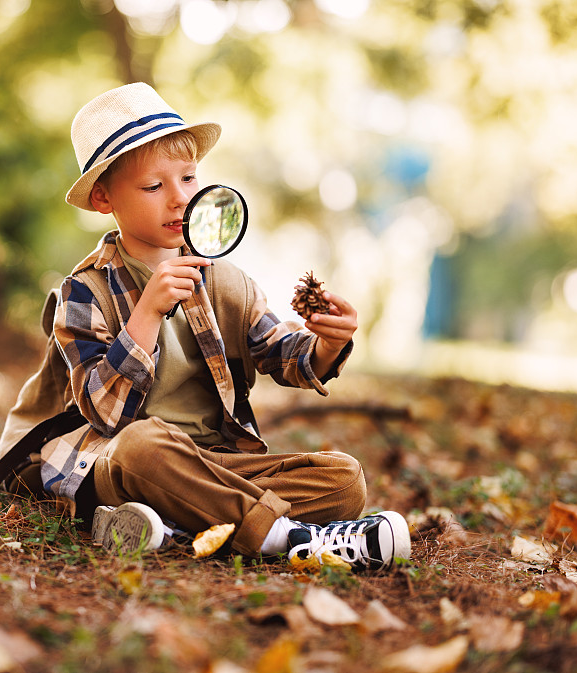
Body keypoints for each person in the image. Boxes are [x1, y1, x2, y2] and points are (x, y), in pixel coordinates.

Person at [39, 82, 410, 570]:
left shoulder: (225, 281)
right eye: (153, 187)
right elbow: (105, 414)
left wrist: (326, 344)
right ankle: (292, 538)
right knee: (142, 446)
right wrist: (146, 313)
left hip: (218, 464)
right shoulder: (84, 291)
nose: (179, 198)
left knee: (345, 480)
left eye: (188, 177)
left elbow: (282, 352)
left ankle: (173, 527)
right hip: (129, 461)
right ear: (104, 198)